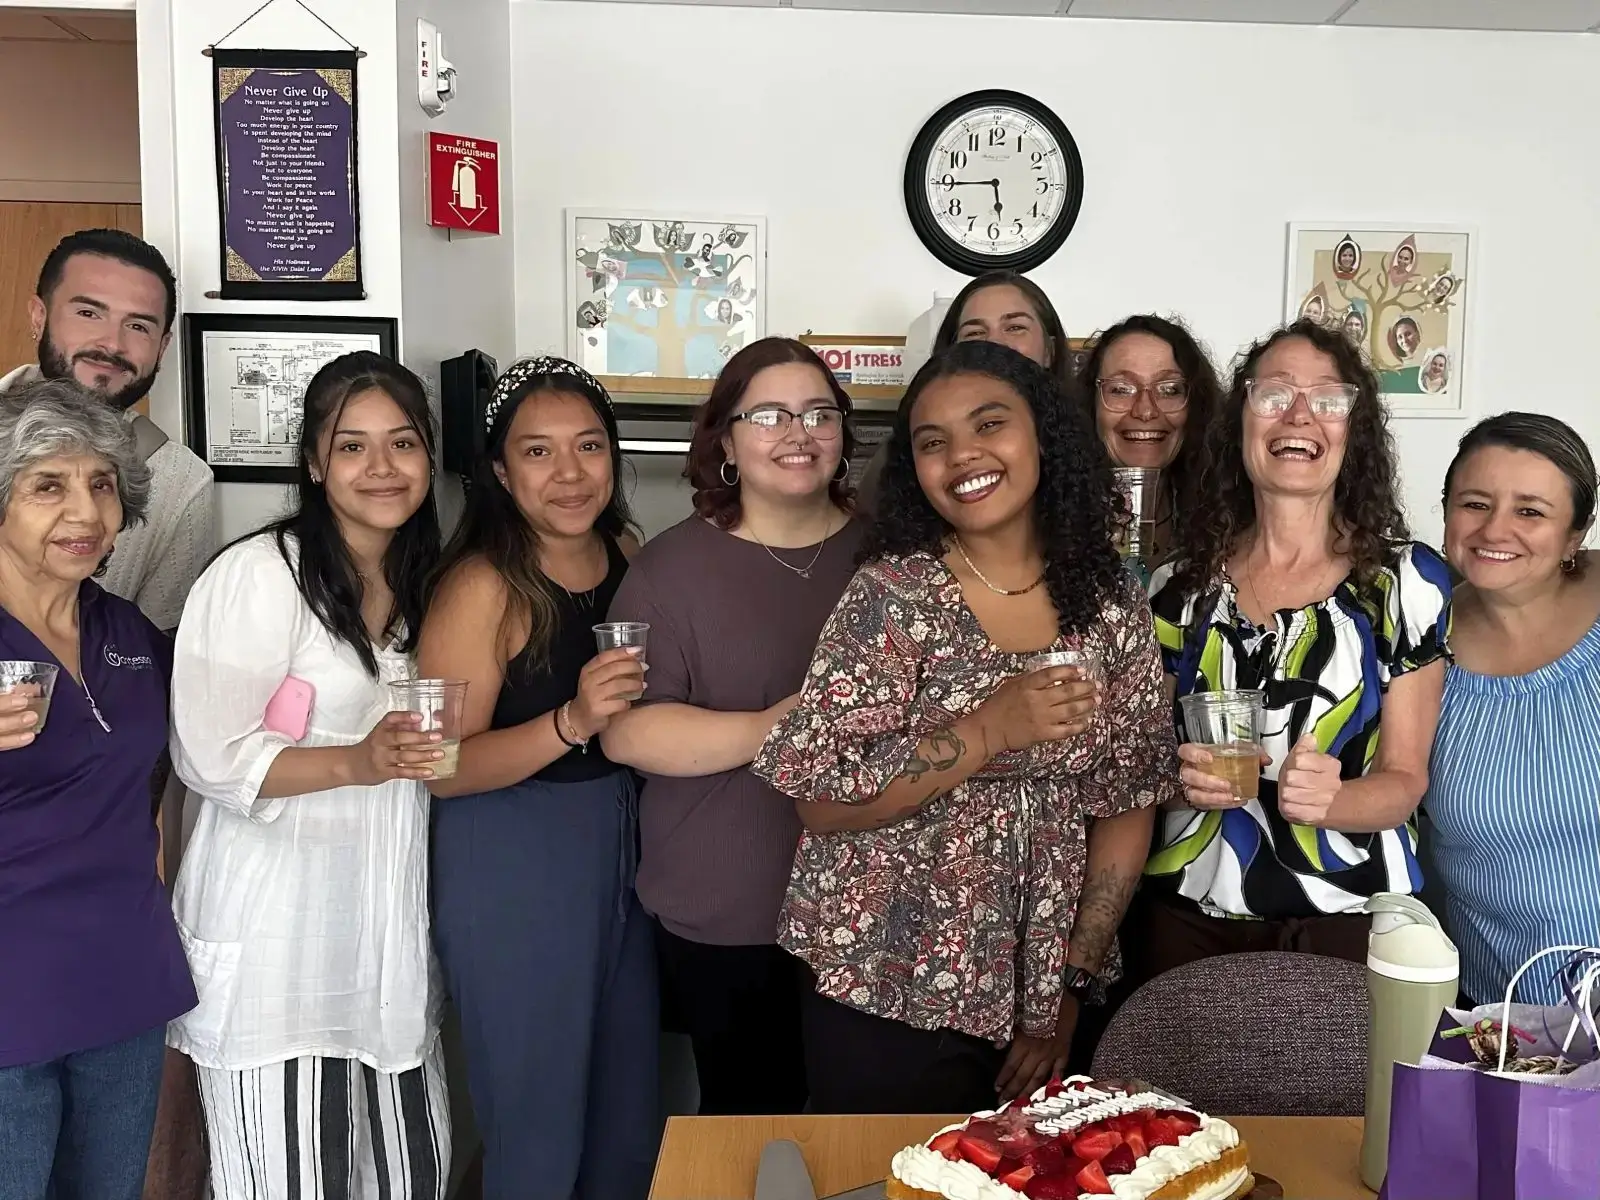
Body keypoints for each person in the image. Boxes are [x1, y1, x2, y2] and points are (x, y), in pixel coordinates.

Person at [753, 340, 1176, 1114]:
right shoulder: (891, 597)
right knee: (878, 1172)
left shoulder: (1110, 602)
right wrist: (986, 730)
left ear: (1043, 434)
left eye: (989, 424)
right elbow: (821, 802)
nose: (962, 457)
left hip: (1036, 991)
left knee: (1033, 1171)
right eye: (932, 442)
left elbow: (1127, 800)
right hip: (881, 981)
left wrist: (1070, 982)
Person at [168, 353, 450, 1198]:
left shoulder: (428, 581)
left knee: (409, 1176)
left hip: (384, 940)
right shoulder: (262, 574)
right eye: (352, 446)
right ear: (314, 464)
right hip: (277, 943)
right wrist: (357, 762)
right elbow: (210, 754)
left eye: (403, 443)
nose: (382, 467)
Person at [1136, 318, 1451, 980]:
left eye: (1327, 398)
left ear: (1352, 431)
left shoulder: (1404, 582)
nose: (1300, 415)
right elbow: (1139, 770)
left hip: (1344, 924)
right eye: (1275, 393)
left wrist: (1335, 802)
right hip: (1187, 923)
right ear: (1241, 423)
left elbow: (1404, 781)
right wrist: (1177, 782)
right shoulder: (1176, 587)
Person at [601, 338, 865, 1116]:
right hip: (727, 907)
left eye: (819, 413)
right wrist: (785, 725)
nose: (799, 433)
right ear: (725, 440)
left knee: (870, 1118)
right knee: (752, 1119)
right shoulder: (669, 570)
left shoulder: (893, 553)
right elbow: (627, 734)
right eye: (770, 415)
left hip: (875, 902)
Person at [418, 358, 656, 1200]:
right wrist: (572, 721)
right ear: (499, 470)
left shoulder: (627, 554)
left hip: (623, 851)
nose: (569, 473)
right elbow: (441, 768)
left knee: (629, 1116)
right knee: (537, 1126)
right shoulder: (481, 585)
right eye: (538, 452)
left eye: (588, 446)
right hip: (513, 859)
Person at [0, 380, 196, 1200]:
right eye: (48, 485)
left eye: (102, 485)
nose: (85, 512)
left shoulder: (127, 632)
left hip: (123, 978)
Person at [1425, 414, 1600, 1006]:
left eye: (1531, 511)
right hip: (1501, 1020)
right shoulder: (1417, 647)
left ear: (1574, 535)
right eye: (1475, 503)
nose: (1495, 529)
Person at [1, 229, 213, 633]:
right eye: (88, 313)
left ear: (162, 346)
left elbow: (160, 649)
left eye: (138, 326)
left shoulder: (181, 481)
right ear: (39, 317)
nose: (112, 344)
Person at [856, 271, 1072, 518]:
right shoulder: (898, 460)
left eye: (1015, 327)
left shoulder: (1088, 443)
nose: (994, 344)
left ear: (1050, 351)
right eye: (975, 333)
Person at [1075, 315, 1221, 564]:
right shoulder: (1049, 525)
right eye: (1121, 389)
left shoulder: (1226, 521)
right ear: (1092, 404)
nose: (1145, 411)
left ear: (1196, 406)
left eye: (1169, 389)